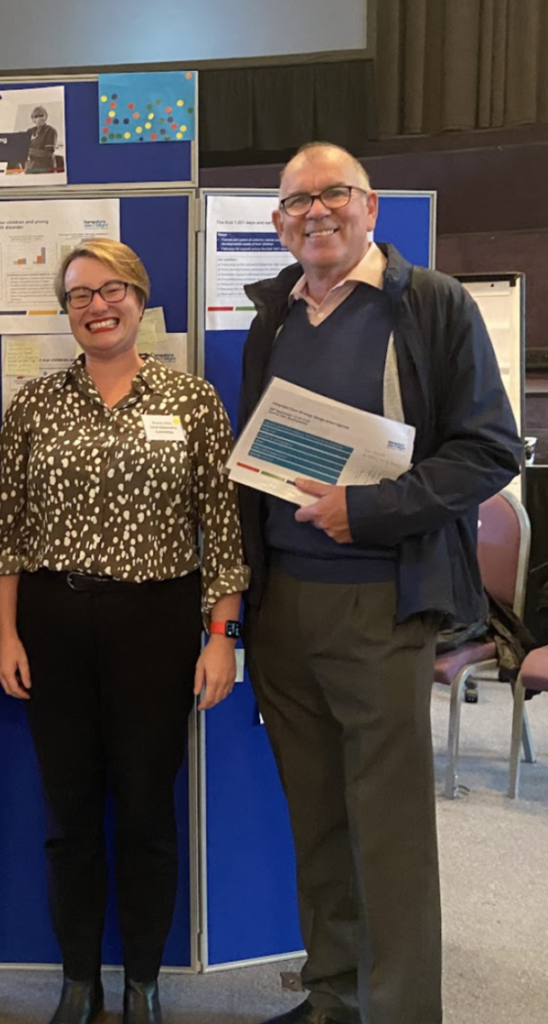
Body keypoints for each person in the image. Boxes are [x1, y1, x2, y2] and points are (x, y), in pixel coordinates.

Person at [238, 142, 521, 1024]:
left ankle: (399, 1011)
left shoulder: (431, 304)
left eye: (332, 195)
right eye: (295, 203)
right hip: (282, 600)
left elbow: (488, 450)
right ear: (280, 224)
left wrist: (367, 512)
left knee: (389, 830)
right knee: (316, 817)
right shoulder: (273, 316)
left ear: (369, 208)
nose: (313, 212)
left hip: (380, 605)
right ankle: (331, 994)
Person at [0, 238, 249, 1024]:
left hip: (156, 624)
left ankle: (141, 982)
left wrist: (220, 637)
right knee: (68, 816)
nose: (96, 307)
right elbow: (3, 533)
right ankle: (76, 981)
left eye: (111, 291)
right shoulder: (34, 403)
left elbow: (222, 534)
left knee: (144, 813)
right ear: (65, 311)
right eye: (78, 296)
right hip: (52, 621)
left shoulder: (192, 400)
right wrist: (5, 633)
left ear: (139, 297)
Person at [25, 105, 58, 172]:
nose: (39, 118)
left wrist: (28, 151)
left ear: (46, 117)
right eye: (36, 116)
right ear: (32, 119)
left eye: (41, 115)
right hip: (31, 168)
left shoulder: (51, 131)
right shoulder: (30, 131)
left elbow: (48, 153)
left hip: (46, 168)